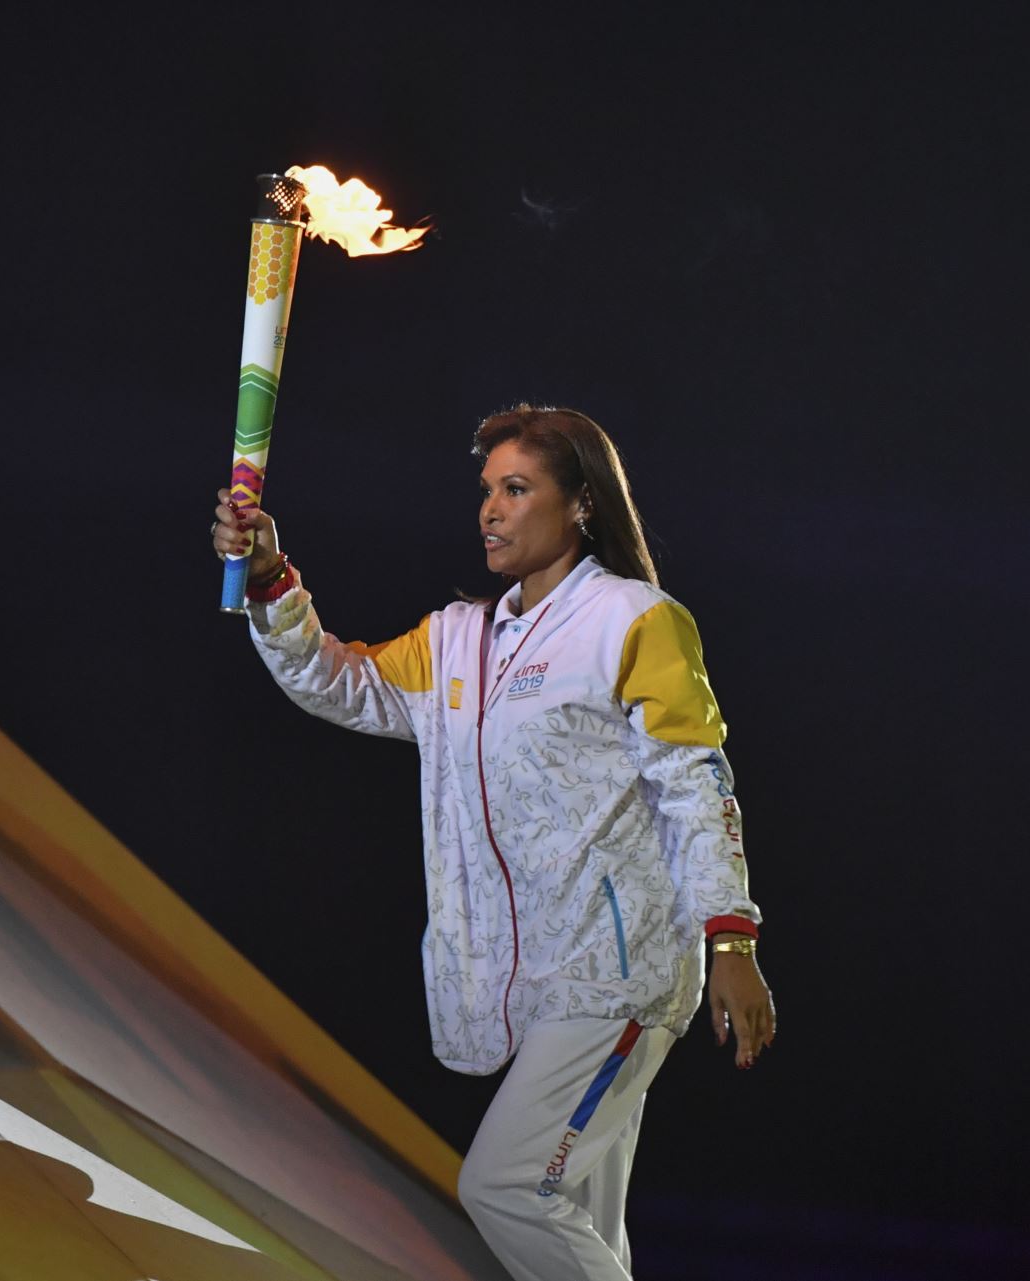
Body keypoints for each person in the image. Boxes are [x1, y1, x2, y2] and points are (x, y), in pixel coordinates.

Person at [210, 404, 775, 1281]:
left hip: (617, 971)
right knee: (581, 1228)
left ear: (581, 502)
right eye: (486, 491)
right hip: (531, 973)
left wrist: (729, 936)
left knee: (508, 1187)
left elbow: (695, 785)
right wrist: (273, 576)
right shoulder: (459, 640)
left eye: (517, 488)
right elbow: (341, 682)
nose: (491, 509)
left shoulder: (634, 620)